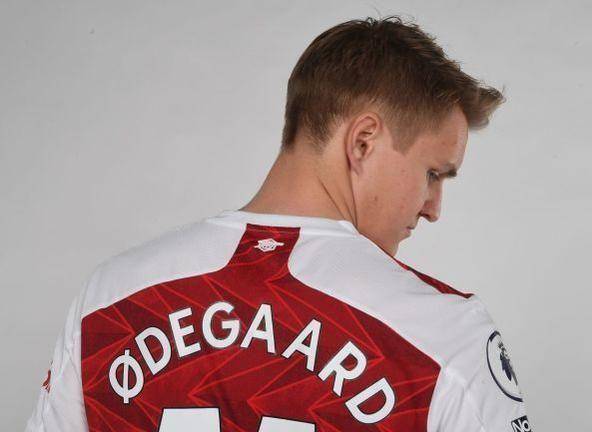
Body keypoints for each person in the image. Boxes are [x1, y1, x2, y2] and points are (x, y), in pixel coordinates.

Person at [26, 15, 531, 432]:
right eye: (433, 174)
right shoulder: (442, 334)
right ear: (363, 142)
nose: (434, 207)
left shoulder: (110, 299)